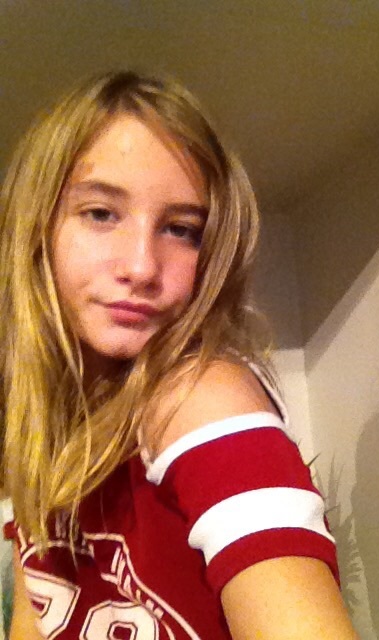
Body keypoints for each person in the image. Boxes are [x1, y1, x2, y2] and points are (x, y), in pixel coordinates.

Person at [0, 71, 358, 639]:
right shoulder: (40, 429)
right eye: (101, 214)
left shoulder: (200, 396)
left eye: (181, 229)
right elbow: (35, 615)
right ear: (35, 229)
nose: (142, 266)